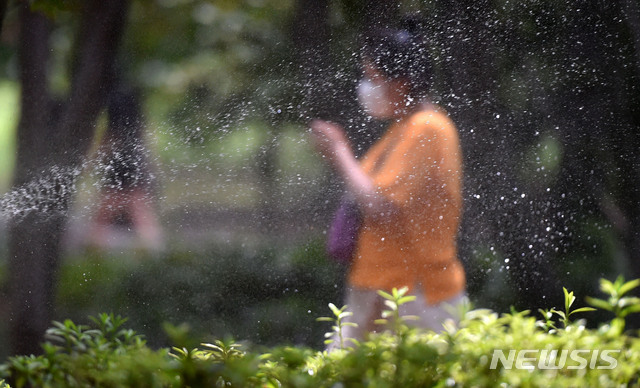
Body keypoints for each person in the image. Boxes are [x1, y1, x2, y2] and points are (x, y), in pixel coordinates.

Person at [310, 22, 466, 347]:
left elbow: (380, 208)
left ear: (403, 83)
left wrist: (340, 153)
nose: (365, 87)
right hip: (381, 287)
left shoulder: (428, 128)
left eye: (373, 78)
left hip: (414, 295)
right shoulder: (402, 129)